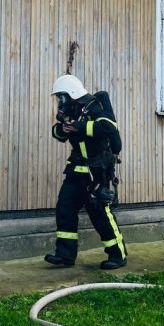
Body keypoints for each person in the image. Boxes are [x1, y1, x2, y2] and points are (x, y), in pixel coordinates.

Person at [45, 74, 127, 269]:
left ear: (70, 93)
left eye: (61, 96)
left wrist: (79, 126)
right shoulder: (72, 110)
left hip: (96, 172)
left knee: (100, 214)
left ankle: (117, 255)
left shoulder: (93, 106)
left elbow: (109, 128)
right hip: (76, 171)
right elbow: (57, 133)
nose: (60, 100)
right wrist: (64, 129)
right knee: (64, 209)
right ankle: (65, 255)